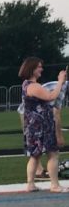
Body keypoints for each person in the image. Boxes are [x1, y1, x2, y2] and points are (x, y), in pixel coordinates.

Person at [18, 57, 68, 193]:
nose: (41, 69)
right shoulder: (34, 86)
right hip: (41, 126)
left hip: (34, 126)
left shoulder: (26, 84)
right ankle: (55, 185)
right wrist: (60, 82)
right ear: (32, 69)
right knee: (53, 154)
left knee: (35, 155)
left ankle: (30, 184)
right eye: (39, 67)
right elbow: (51, 97)